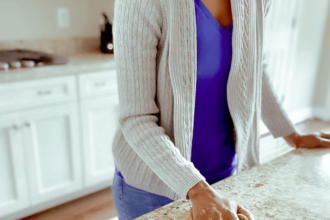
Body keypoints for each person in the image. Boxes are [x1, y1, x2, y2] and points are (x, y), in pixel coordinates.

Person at [110, 0, 330, 219]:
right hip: (154, 186)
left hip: (225, 176)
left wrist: (293, 136)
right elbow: (136, 118)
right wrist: (197, 189)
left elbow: (253, 72)